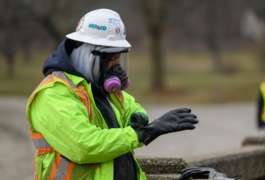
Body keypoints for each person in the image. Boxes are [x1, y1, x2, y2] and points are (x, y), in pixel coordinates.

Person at [26, 9, 198, 180]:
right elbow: (85, 146)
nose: (116, 66)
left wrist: (138, 119)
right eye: (111, 59)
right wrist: (143, 133)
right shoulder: (53, 94)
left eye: (118, 59)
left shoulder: (99, 89)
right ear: (87, 55)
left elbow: (131, 107)